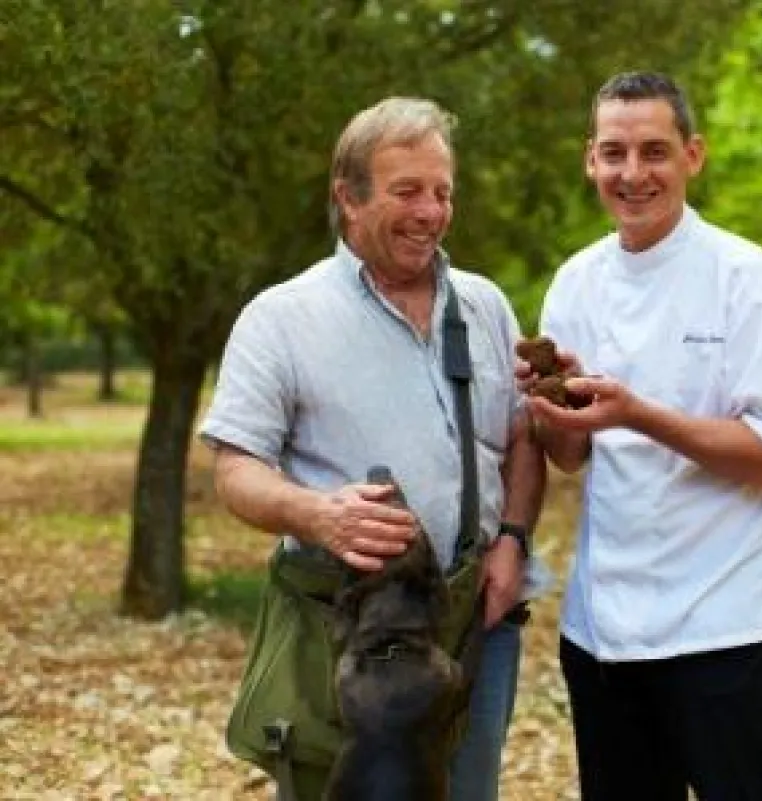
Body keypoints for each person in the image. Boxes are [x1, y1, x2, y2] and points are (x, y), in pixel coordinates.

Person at [200, 96, 548, 801]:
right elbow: (235, 469)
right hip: (348, 640)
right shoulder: (279, 318)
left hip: (473, 627)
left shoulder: (484, 305)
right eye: (408, 191)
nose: (431, 211)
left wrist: (511, 538)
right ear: (348, 198)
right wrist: (316, 515)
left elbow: (520, 436)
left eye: (443, 192)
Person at [519, 71, 762, 801]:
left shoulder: (745, 276)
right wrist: (559, 411)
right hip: (604, 631)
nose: (633, 173)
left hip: (725, 628)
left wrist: (637, 413)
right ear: (590, 160)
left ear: (693, 155)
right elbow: (573, 458)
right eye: (614, 153)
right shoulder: (575, 282)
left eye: (654, 151)